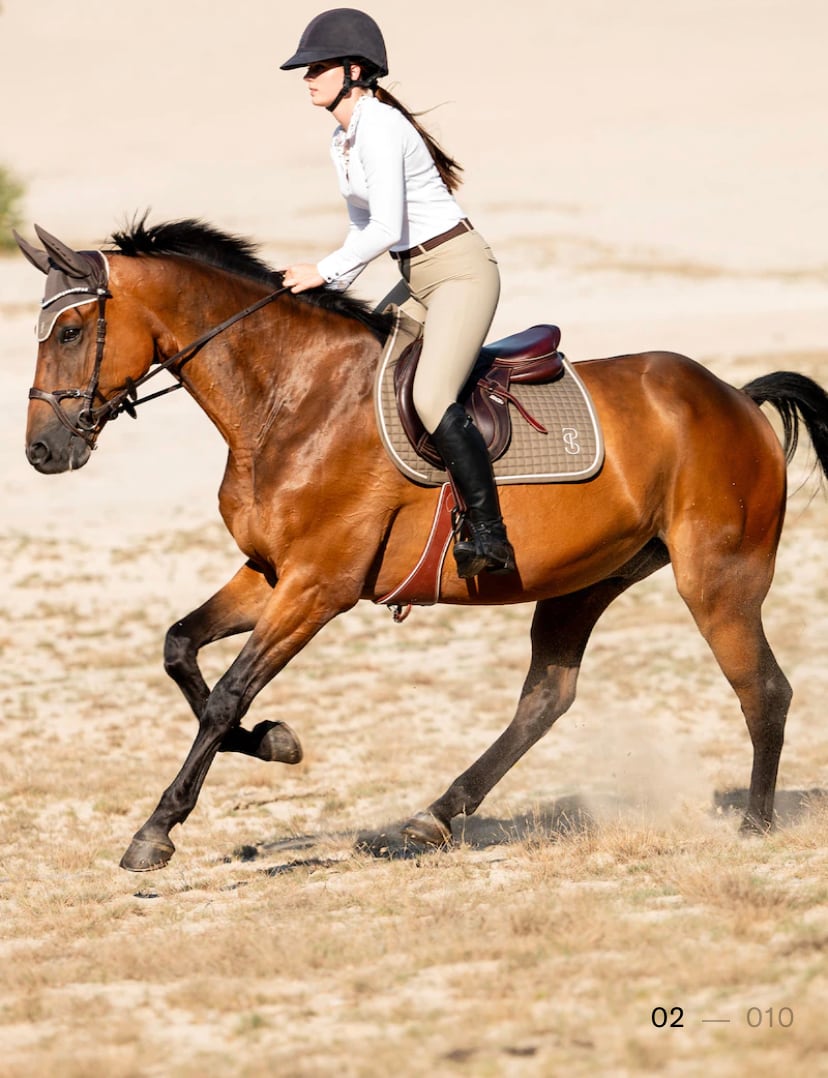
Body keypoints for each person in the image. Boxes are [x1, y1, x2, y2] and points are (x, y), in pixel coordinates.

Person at [281, 7, 515, 579]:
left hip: (459, 272)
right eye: (305, 68)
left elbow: (385, 227)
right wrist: (326, 288)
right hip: (416, 277)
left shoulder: (381, 126)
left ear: (355, 71)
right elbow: (365, 229)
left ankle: (489, 532)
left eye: (318, 66)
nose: (307, 76)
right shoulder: (345, 136)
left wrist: (323, 270)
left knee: (432, 396)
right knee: (363, 374)